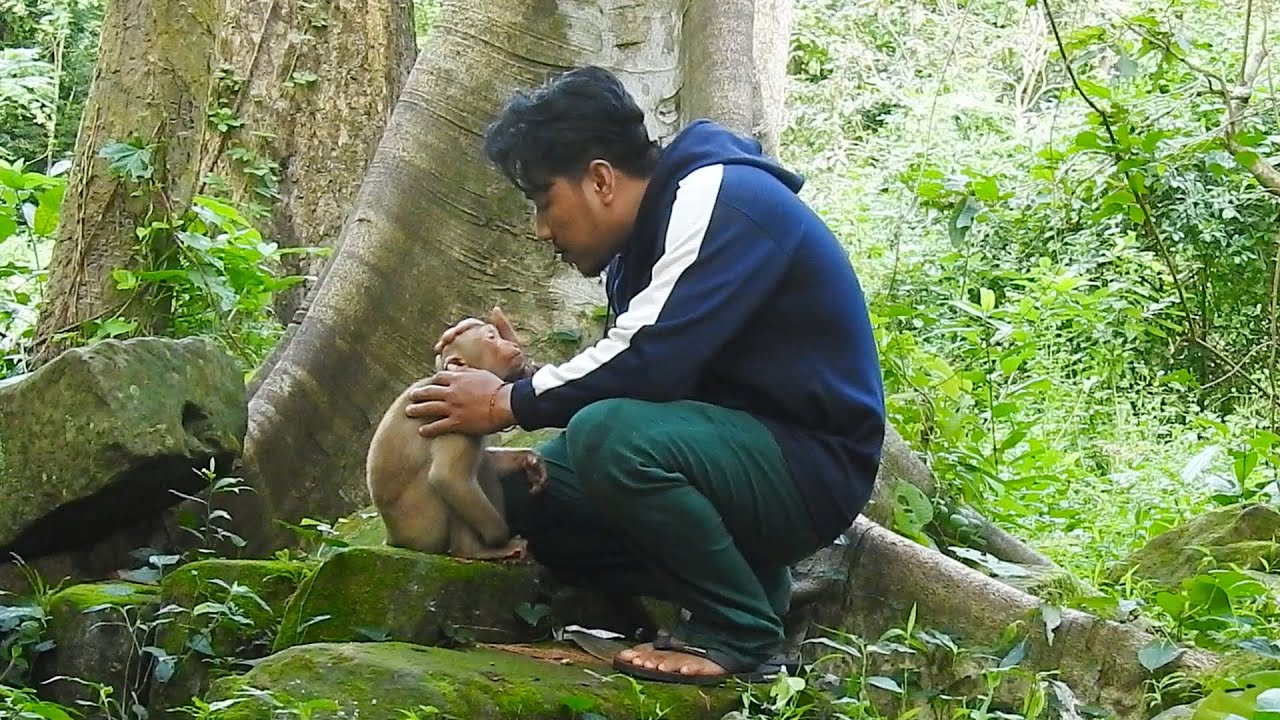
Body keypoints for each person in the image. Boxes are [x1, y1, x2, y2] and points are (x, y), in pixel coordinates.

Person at [405, 65, 886, 685]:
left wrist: (506, 401)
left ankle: (737, 633)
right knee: (534, 489)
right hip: (728, 456)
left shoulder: (720, 197)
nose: (540, 229)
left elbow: (649, 361)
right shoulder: (635, 250)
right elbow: (645, 371)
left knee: (609, 436)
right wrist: (522, 381)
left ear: (600, 179)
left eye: (543, 200)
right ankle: (754, 589)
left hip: (810, 467)